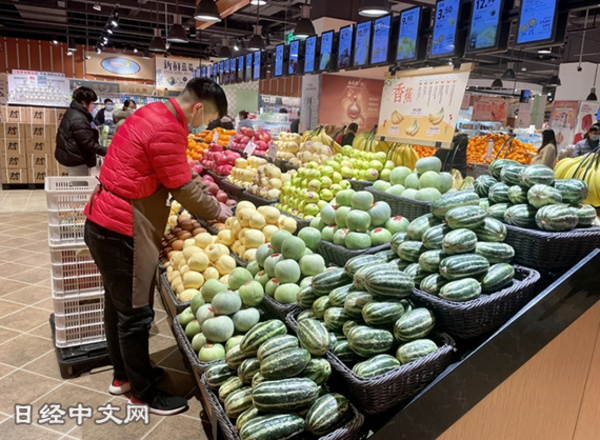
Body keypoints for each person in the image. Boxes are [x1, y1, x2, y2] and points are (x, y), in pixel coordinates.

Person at [83, 78, 232, 416]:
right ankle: (143, 393)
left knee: (118, 307)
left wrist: (207, 197)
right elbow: (180, 185)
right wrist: (217, 210)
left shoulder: (155, 112)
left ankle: (125, 376)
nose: (203, 126)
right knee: (136, 313)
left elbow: (178, 171)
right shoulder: (167, 129)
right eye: (207, 119)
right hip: (121, 229)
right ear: (198, 108)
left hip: (103, 221)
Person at [55, 87, 107, 176]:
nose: (93, 106)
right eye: (92, 103)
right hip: (75, 159)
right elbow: (88, 143)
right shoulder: (79, 118)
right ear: (83, 102)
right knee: (80, 186)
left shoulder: (74, 112)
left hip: (70, 155)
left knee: (78, 184)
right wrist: (108, 151)